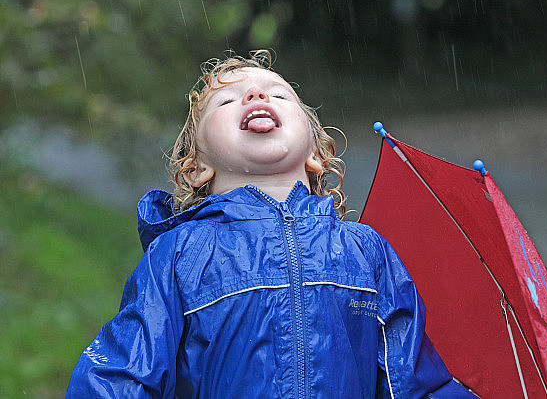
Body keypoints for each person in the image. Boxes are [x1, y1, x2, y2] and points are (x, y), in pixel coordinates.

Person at [66, 51, 477, 398]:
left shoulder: (364, 250)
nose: (257, 93)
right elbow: (123, 375)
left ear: (317, 154)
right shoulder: (179, 254)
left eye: (279, 94)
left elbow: (414, 383)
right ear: (196, 168)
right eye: (227, 101)